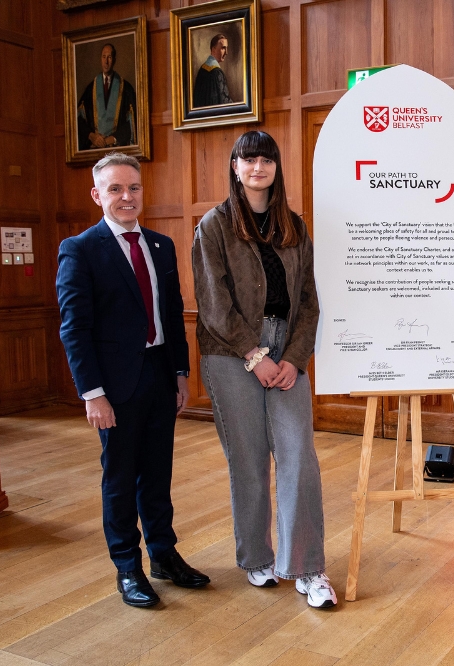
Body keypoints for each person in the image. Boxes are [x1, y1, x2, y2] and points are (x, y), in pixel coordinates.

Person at [57, 153, 210, 608]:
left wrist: (181, 374)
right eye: (116, 189)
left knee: (157, 475)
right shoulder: (81, 249)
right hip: (113, 388)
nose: (127, 197)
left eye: (134, 188)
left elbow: (173, 313)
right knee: (120, 479)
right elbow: (74, 328)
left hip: (160, 377)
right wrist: (93, 394)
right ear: (97, 194)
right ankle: (128, 566)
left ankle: (163, 554)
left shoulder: (161, 245)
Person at [192, 131, 336, 609]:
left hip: (286, 351)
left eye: (266, 158)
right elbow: (213, 303)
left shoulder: (293, 225)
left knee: (299, 459)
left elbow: (311, 303)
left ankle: (308, 569)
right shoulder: (213, 225)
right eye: (248, 159)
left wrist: (293, 358)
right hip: (232, 352)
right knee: (250, 460)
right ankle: (257, 556)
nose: (258, 167)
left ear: (276, 166)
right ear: (235, 166)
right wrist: (255, 355)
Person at [76, 44, 137, 151]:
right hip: (94, 149)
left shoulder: (126, 88)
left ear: (114, 59)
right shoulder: (90, 89)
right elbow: (79, 120)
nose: (106, 61)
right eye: (104, 57)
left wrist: (113, 138)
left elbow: (133, 122)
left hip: (117, 150)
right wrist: (92, 136)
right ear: (100, 59)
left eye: (109, 57)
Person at [193, 33, 233, 108]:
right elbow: (224, 102)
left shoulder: (202, 69)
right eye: (223, 48)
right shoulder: (216, 73)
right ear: (213, 49)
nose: (226, 53)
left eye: (226, 48)